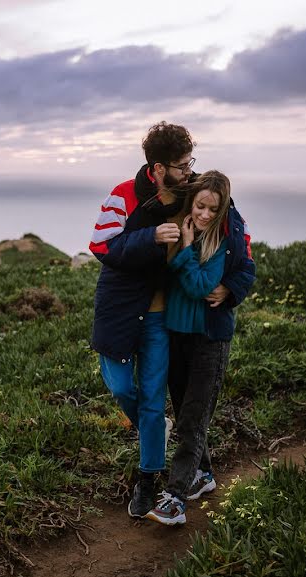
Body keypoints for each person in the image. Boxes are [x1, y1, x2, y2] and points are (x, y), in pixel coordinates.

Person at [89, 122, 195, 518]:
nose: (189, 172)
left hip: (162, 318)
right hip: (119, 310)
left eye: (190, 162)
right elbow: (102, 246)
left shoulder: (195, 192)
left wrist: (234, 280)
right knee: (119, 388)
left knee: (152, 400)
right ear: (157, 168)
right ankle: (157, 431)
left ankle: (147, 477)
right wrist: (150, 238)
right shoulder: (123, 195)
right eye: (182, 166)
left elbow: (235, 228)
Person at [145, 171, 256, 526]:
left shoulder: (223, 240)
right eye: (200, 205)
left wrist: (189, 252)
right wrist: (186, 250)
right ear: (192, 201)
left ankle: (175, 498)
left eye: (214, 208)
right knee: (186, 415)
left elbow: (199, 286)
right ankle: (204, 475)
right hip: (177, 335)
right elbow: (172, 272)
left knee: (193, 418)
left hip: (210, 339)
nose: (206, 213)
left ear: (223, 209)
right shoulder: (183, 227)